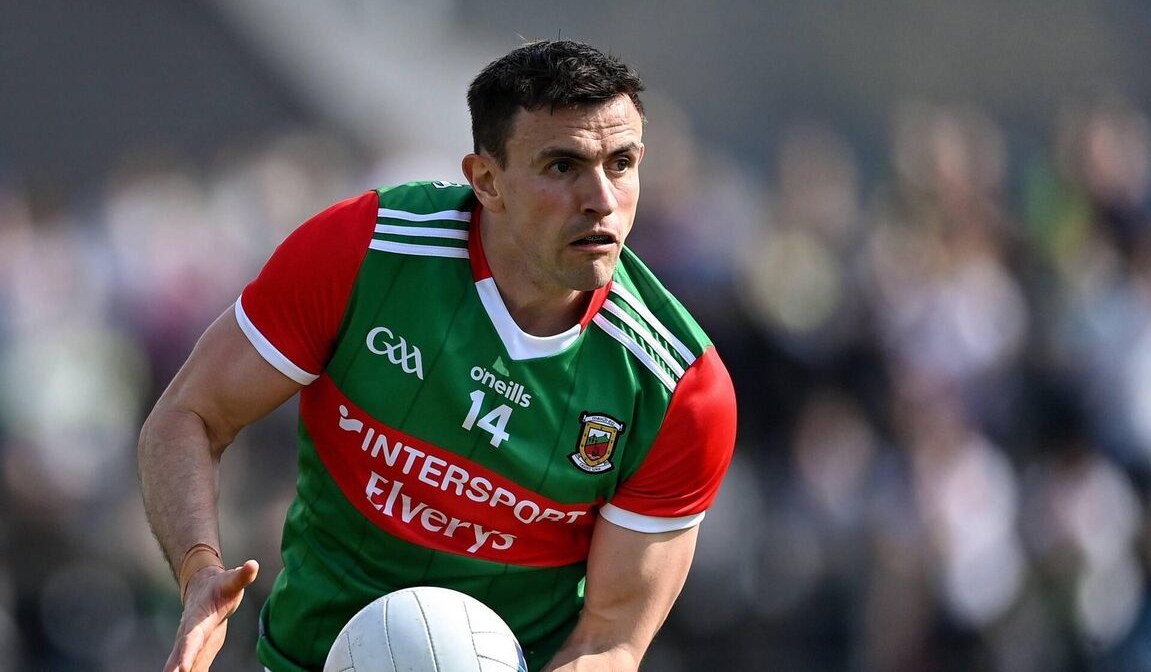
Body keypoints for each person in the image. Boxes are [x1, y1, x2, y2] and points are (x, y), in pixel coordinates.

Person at [139, 39, 737, 672]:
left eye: (621, 163)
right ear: (487, 181)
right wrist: (198, 570)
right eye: (563, 166)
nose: (602, 199)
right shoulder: (365, 251)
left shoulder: (680, 388)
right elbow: (188, 416)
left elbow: (610, 641)